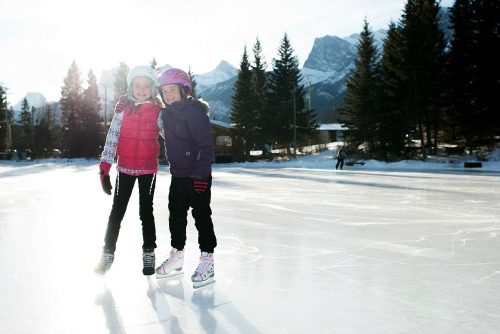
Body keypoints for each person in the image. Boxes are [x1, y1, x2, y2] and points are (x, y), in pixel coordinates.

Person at [95, 66, 163, 276]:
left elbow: (171, 136)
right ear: (130, 87)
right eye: (137, 85)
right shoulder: (122, 110)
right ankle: (107, 253)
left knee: (146, 212)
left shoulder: (159, 113)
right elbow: (112, 138)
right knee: (117, 212)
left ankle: (149, 253)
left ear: (153, 89)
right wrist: (104, 169)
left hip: (147, 170)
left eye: (146, 86)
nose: (141, 90)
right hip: (124, 168)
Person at [154, 68, 217, 288]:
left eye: (172, 90)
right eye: (164, 91)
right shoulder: (166, 115)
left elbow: (206, 146)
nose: (168, 95)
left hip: (197, 175)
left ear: (184, 90)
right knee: (176, 217)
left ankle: (207, 261)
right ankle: (177, 257)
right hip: (178, 174)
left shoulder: (194, 113)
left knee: (201, 217)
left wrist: (201, 174)